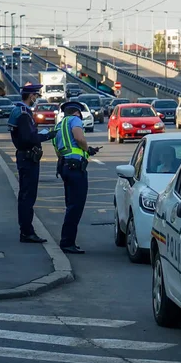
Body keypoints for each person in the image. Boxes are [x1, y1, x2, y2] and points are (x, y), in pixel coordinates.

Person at [8, 83, 57, 243]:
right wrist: (47, 136)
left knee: (25, 196)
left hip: (25, 157)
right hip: (28, 158)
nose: (36, 98)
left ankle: (27, 230)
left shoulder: (19, 111)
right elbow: (28, 138)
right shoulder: (24, 114)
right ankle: (27, 232)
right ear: (31, 96)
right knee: (28, 197)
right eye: (35, 95)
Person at [52, 101, 101, 254]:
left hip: (65, 166)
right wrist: (88, 149)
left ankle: (68, 240)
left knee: (70, 205)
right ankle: (67, 242)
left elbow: (59, 151)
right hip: (75, 168)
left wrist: (87, 151)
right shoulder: (75, 120)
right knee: (76, 206)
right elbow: (79, 138)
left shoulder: (58, 126)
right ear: (77, 113)